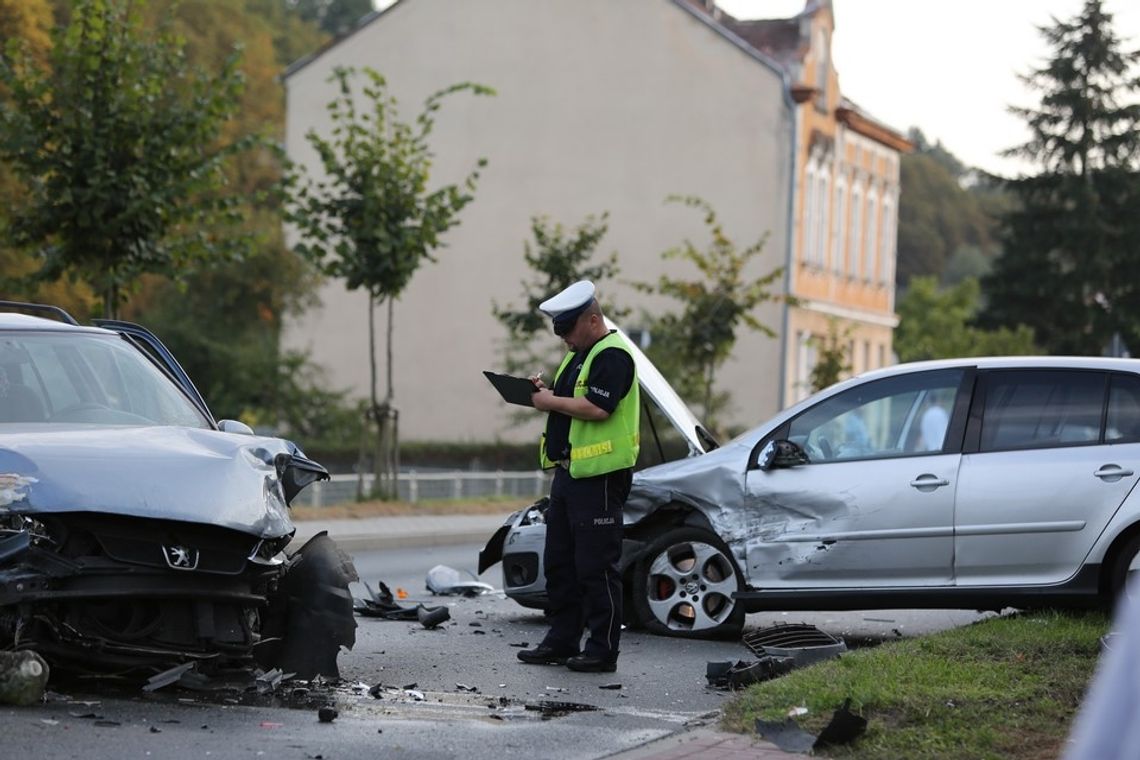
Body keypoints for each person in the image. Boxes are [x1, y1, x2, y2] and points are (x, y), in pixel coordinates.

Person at [515, 280, 639, 674]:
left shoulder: (613, 354)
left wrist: (549, 400)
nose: (564, 338)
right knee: (560, 565)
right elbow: (568, 401)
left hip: (600, 477)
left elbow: (598, 408)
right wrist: (544, 392)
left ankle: (602, 650)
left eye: (568, 329)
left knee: (596, 568)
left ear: (593, 320)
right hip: (571, 474)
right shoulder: (579, 356)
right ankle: (562, 640)